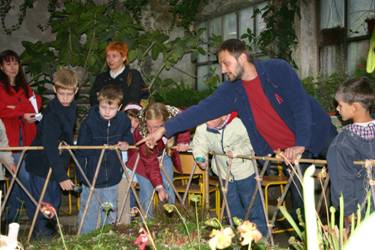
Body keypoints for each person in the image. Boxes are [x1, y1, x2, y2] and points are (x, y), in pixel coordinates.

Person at [141, 38, 337, 216]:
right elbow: (201, 110)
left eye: (226, 63)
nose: (223, 70)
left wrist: (301, 142)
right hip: (289, 151)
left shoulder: (278, 70)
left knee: (343, 181)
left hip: (317, 130)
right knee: (302, 205)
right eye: (221, 65)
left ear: (242, 57)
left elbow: (300, 105)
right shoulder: (232, 91)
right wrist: (164, 129)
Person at [191, 113, 267, 236]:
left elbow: (253, 142)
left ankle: (262, 239)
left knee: (253, 207)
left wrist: (239, 152)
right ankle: (239, 238)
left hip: (245, 171)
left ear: (223, 115)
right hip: (223, 174)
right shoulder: (203, 126)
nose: (207, 120)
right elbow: (199, 144)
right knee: (232, 209)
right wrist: (201, 158)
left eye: (212, 116)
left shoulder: (239, 124)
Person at [25, 68, 78, 238]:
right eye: (61, 93)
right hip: (42, 164)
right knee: (45, 204)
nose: (65, 98)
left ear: (75, 91)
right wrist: (62, 176)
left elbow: (64, 134)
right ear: (55, 90)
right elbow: (49, 145)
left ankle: (48, 236)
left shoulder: (72, 107)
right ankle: (42, 239)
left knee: (53, 201)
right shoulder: (52, 114)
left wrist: (64, 142)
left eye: (69, 94)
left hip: (55, 164)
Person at [76, 84, 133, 233]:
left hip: (112, 176)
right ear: (98, 103)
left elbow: (128, 135)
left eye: (112, 108)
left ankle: (108, 238)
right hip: (91, 177)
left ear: (119, 107)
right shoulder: (89, 122)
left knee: (110, 210)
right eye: (103, 107)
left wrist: (126, 142)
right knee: (89, 211)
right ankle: (84, 240)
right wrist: (82, 176)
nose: (107, 112)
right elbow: (80, 151)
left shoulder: (123, 121)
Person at [127, 102, 190, 218]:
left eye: (156, 127)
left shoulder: (175, 116)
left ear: (165, 123)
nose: (152, 131)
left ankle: (171, 220)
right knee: (147, 191)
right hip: (142, 159)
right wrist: (158, 187)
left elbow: (185, 123)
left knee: (169, 186)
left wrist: (183, 141)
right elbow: (150, 162)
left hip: (163, 154)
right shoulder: (141, 132)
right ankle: (147, 222)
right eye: (149, 126)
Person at [0, 49, 42, 223]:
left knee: (20, 181)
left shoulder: (27, 89)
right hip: (10, 144)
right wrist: (19, 112)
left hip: (29, 141)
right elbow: (2, 109)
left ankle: (10, 219)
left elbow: (35, 107)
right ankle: (39, 222)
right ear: (1, 67)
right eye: (8, 64)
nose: (12, 67)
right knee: (25, 179)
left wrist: (14, 109)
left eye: (15, 63)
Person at [327, 77, 375, 220]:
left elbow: (341, 184)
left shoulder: (340, 145)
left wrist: (347, 213)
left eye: (340, 105)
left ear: (354, 107)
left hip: (360, 213)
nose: (337, 109)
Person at [89, 41, 148, 107]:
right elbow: (93, 100)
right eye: (108, 56)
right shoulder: (101, 78)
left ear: (124, 58)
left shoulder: (133, 75)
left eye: (114, 56)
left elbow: (133, 99)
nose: (110, 60)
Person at [117, 103, 142, 223]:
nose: (132, 124)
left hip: (136, 167)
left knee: (130, 186)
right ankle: (125, 213)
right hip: (122, 167)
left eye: (136, 121)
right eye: (129, 120)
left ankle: (132, 212)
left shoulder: (141, 134)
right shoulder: (120, 132)